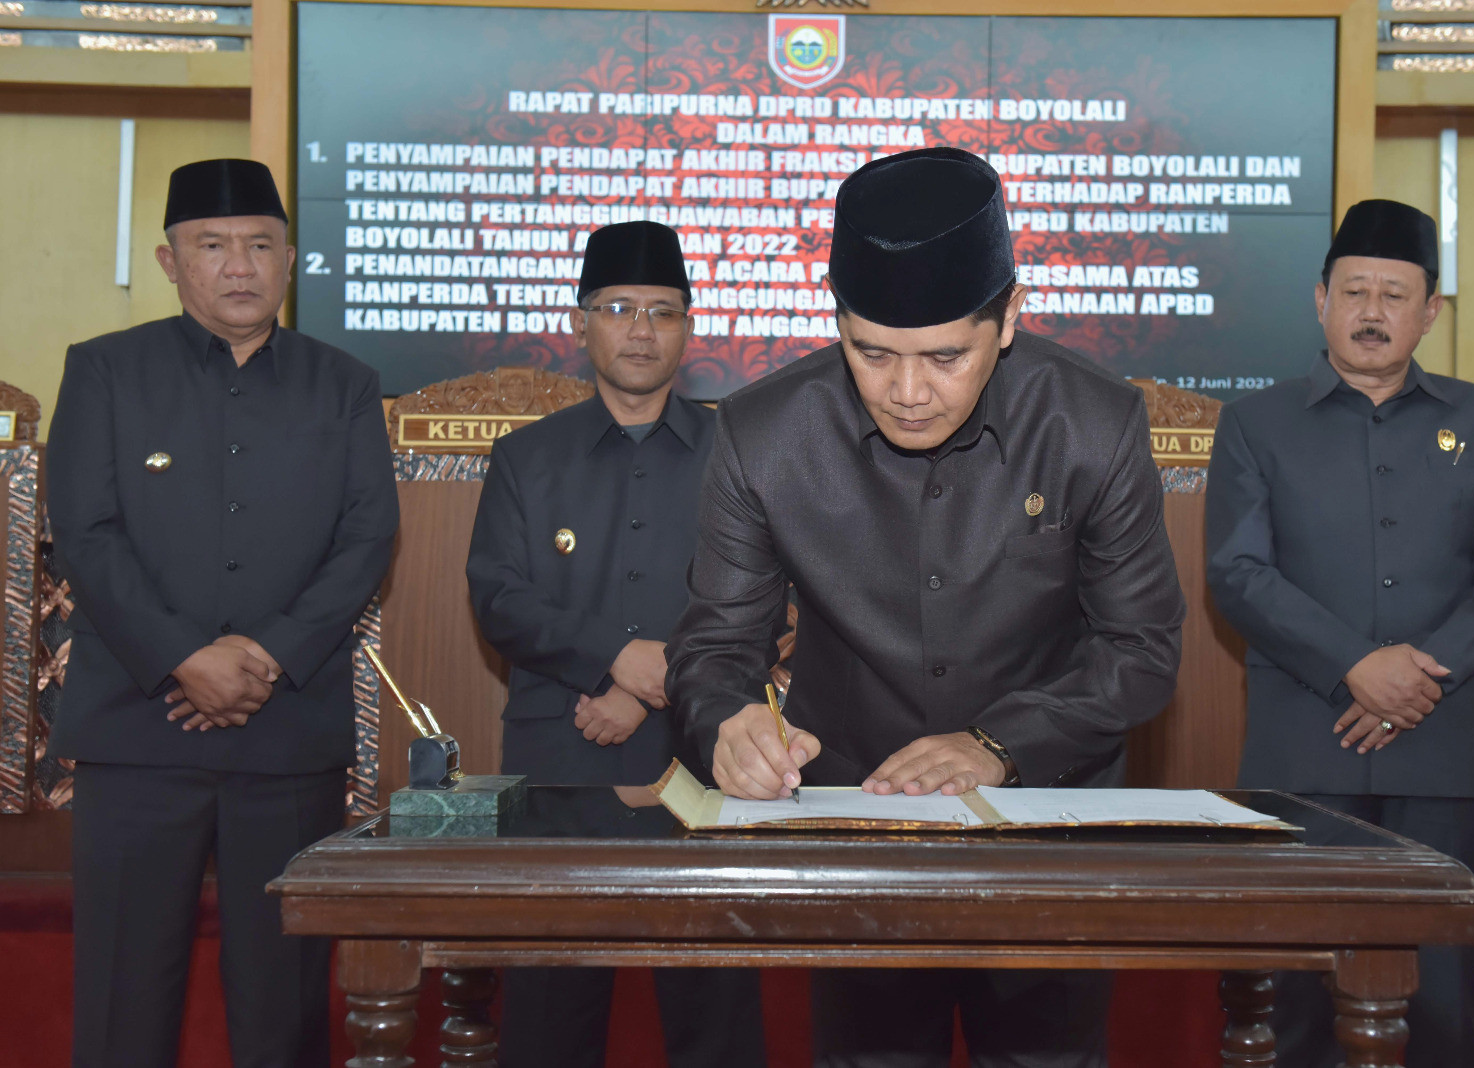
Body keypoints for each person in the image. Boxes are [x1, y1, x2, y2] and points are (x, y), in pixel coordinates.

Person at [665, 147, 1185, 1068]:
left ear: (1009, 318)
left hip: (1046, 823)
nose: (908, 393)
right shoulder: (763, 434)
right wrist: (726, 723)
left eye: (946, 356)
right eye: (872, 353)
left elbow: (1141, 649)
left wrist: (998, 743)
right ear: (837, 321)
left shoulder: (1093, 425)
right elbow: (714, 648)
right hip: (856, 827)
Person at [46, 158, 399, 1068]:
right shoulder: (105, 371)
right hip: (138, 733)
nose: (239, 266)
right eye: (213, 246)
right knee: (124, 1002)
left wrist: (265, 657)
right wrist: (184, 657)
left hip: (286, 737)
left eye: (260, 245)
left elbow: (367, 538)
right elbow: (84, 532)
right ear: (171, 262)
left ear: (291, 260)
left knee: (284, 1009)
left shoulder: (345, 383)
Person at [1205, 198, 1474, 1068]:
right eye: (1354, 291)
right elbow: (1237, 573)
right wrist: (1355, 665)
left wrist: (1418, 678)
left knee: (1442, 1002)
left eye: (1395, 296)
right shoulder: (1255, 423)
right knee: (1293, 999)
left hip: (1441, 752)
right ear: (1320, 299)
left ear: (1430, 311)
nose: (1372, 312)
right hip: (1303, 752)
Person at [465, 220, 765, 1068]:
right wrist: (613, 658)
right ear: (581, 322)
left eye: (663, 312)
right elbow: (499, 598)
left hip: (704, 759)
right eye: (621, 308)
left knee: (715, 1016)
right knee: (550, 1018)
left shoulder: (738, 454)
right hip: (563, 763)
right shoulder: (526, 457)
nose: (642, 330)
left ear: (688, 328)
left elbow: (764, 598)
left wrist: (650, 683)